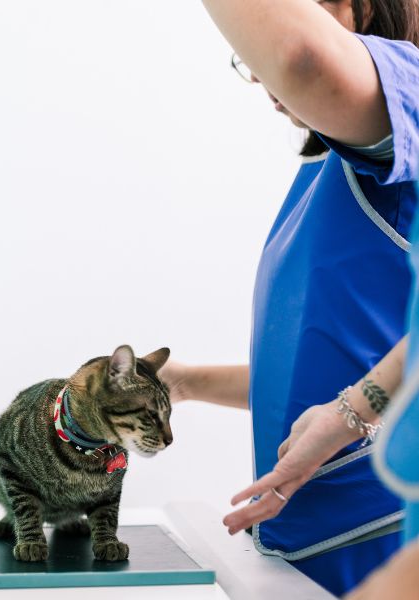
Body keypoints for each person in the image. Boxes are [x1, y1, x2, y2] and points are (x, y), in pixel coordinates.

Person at [159, 0, 419, 595]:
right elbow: (319, 370)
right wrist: (187, 382)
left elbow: (300, 57)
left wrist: (351, 413)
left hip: (379, 535)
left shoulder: (409, 99)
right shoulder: (327, 175)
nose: (262, 74)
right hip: (301, 545)